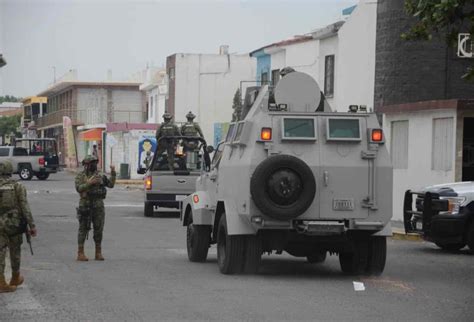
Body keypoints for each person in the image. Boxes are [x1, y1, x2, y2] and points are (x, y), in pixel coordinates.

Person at [0, 161, 37, 293]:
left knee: (1, 252)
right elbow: (24, 207)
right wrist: (32, 225)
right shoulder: (17, 186)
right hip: (14, 224)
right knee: (15, 251)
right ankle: (15, 277)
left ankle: (2, 282)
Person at [75, 156, 116, 262]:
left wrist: (113, 172)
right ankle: (80, 253)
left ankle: (98, 252)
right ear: (86, 165)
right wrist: (89, 183)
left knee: (99, 229)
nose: (93, 165)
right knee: (83, 229)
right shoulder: (81, 176)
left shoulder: (100, 176)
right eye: (91, 163)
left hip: (98, 206)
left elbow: (111, 184)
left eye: (95, 163)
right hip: (85, 205)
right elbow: (78, 188)